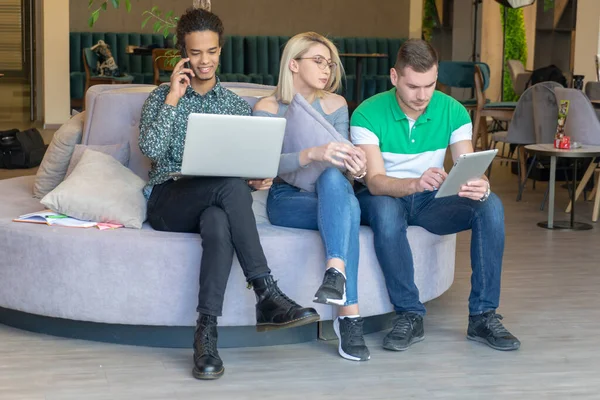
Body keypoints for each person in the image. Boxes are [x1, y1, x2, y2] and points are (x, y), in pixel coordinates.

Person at [138, 8, 320, 380]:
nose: (205, 61)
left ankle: (206, 336)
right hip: (167, 201)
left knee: (220, 221)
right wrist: (174, 95)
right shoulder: (162, 96)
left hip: (216, 201)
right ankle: (266, 292)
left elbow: (242, 163)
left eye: (212, 51)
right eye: (196, 53)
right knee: (229, 188)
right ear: (183, 54)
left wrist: (254, 178)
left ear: (221, 50)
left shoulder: (236, 106)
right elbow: (152, 151)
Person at [350, 39, 520, 352]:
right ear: (394, 77)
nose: (423, 96)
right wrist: (415, 183)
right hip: (384, 196)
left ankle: (483, 316)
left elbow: (466, 165)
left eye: (429, 85)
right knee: (386, 213)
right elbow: (374, 182)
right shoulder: (367, 114)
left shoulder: (453, 111)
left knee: (490, 205)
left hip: (430, 199)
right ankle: (410, 315)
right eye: (414, 86)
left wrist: (479, 183)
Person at [253, 32, 370, 361]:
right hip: (287, 199)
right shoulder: (267, 107)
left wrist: (356, 166)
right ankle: (349, 318)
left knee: (336, 180)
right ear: (293, 64)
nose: (327, 69)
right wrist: (312, 153)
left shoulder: (336, 104)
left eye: (330, 63)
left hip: (331, 191)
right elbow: (264, 165)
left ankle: (335, 272)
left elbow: (345, 168)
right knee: (348, 211)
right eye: (318, 61)